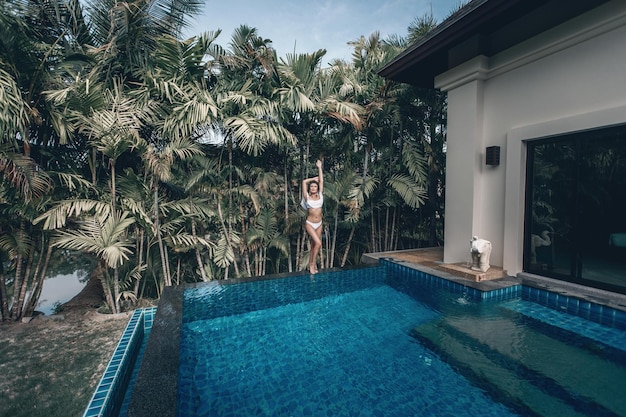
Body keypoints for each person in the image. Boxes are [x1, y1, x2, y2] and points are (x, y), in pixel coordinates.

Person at [301, 160, 324, 274]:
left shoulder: (320, 195)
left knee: (315, 244)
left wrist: (319, 167)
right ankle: (311, 264)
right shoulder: (307, 198)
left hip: (319, 224)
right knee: (319, 243)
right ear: (310, 189)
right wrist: (312, 179)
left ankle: (312, 264)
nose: (314, 187)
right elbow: (304, 182)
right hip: (310, 223)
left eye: (315, 186)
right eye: (312, 187)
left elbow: (322, 180)